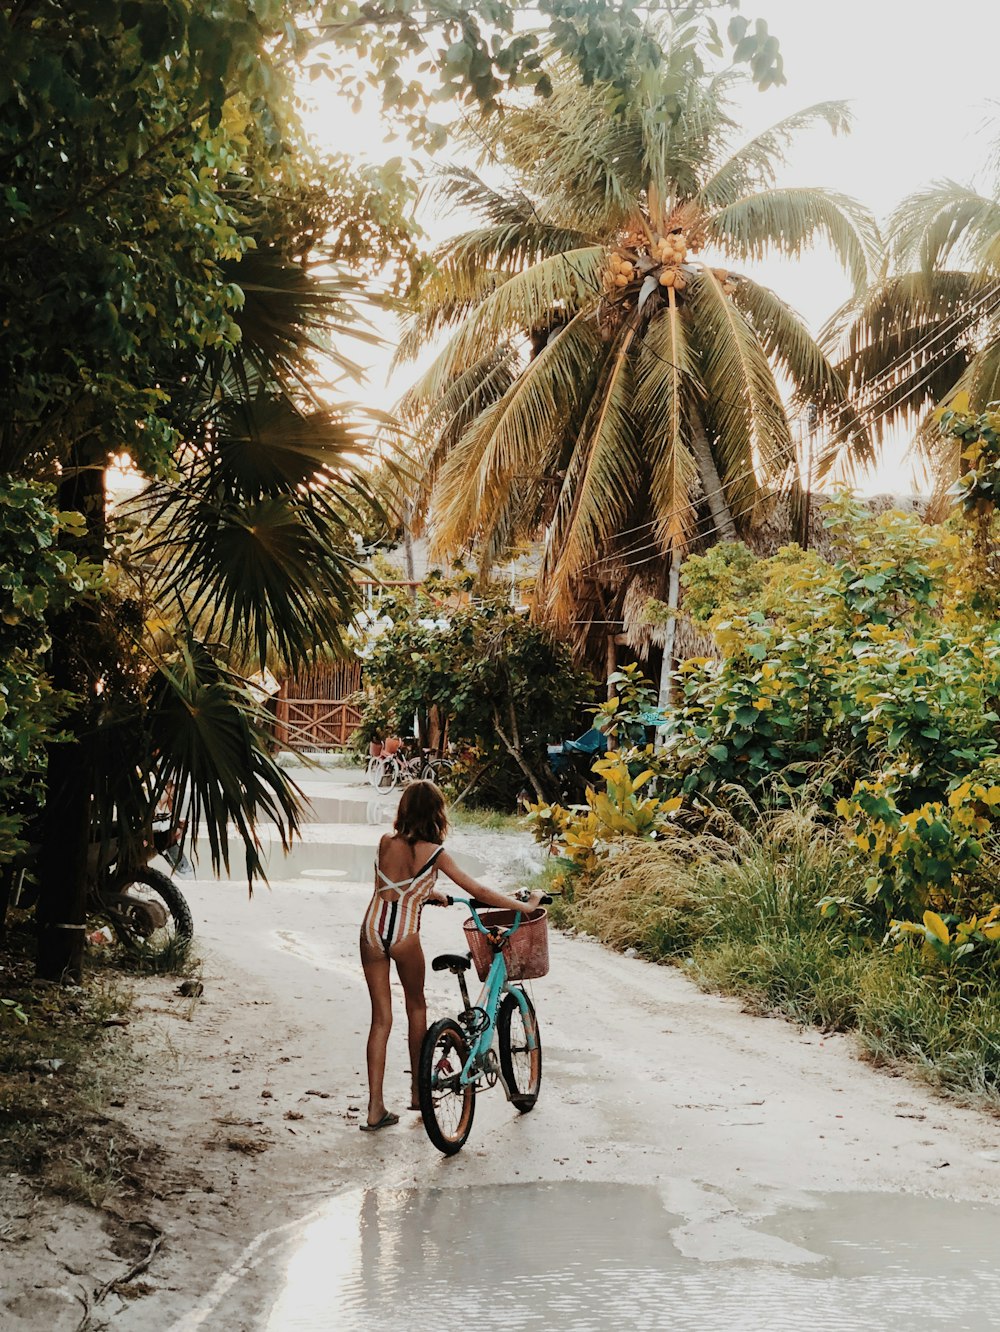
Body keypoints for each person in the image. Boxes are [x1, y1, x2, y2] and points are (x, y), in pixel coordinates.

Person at [359, 779, 543, 1131]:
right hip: (403, 935)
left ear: (404, 810)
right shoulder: (436, 853)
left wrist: (428, 893)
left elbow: (391, 888)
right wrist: (526, 905)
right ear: (436, 813)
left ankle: (375, 1109)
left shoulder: (386, 841)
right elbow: (479, 890)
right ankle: (418, 1094)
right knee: (416, 1008)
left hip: (370, 930)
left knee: (380, 1019)